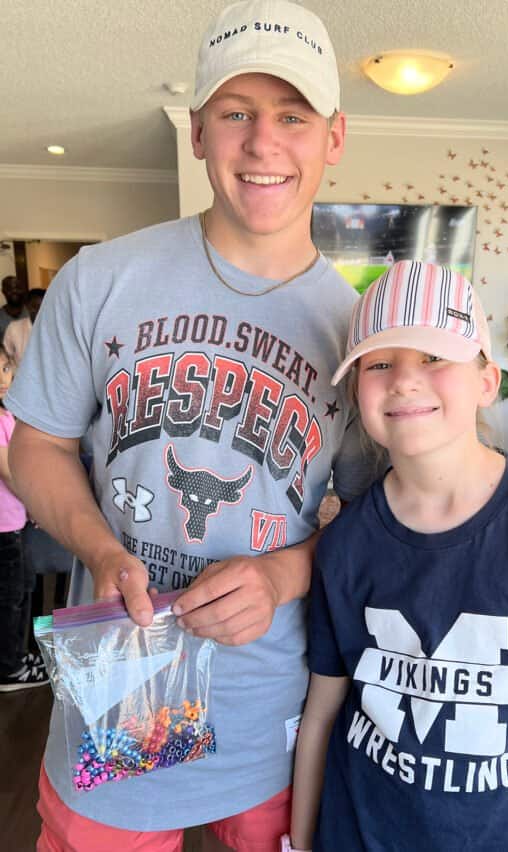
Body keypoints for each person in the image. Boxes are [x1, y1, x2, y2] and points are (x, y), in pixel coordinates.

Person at [6, 2, 377, 849]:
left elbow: (380, 518)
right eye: (236, 112)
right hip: (121, 690)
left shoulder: (363, 336)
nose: (263, 142)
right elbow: (37, 446)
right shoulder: (101, 279)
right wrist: (101, 549)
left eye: (292, 115)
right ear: (199, 131)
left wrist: (286, 574)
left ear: (335, 135)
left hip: (275, 705)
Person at [286, 261, 508, 852]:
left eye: (433, 357)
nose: (403, 380)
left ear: (486, 381)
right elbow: (323, 712)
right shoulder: (345, 543)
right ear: (356, 390)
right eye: (378, 363)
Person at [0, 344, 48, 691]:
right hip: (4, 528)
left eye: (5, 368)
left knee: (19, 591)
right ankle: (9, 668)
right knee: (9, 597)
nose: (4, 378)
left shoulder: (7, 415)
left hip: (13, 523)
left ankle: (15, 655)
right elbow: (10, 471)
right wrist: (39, 504)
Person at [3, 287, 46, 365]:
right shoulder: (14, 328)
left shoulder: (55, 327)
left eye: (42, 307)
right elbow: (6, 357)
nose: (38, 311)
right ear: (27, 306)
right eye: (34, 307)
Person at [0, 275, 29, 343]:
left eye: (17, 288)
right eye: (9, 289)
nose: (14, 291)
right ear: (3, 291)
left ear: (22, 290)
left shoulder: (32, 312)